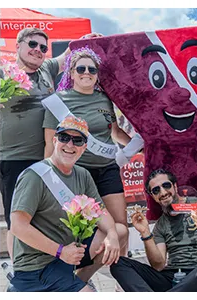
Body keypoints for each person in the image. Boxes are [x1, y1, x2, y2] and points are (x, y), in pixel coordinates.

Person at [2, 29, 102, 256]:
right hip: (14, 158)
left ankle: (50, 262)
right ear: (18, 45)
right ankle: (18, 272)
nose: (38, 50)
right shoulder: (2, 74)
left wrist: (84, 40)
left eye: (43, 48)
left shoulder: (47, 68)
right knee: (15, 217)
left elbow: (69, 54)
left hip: (48, 156)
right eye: (32, 44)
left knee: (46, 216)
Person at [41, 47, 131, 281]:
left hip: (107, 169)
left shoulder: (105, 99)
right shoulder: (57, 101)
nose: (86, 73)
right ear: (71, 72)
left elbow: (114, 133)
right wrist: (47, 179)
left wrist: (140, 144)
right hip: (77, 172)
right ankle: (74, 278)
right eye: (80, 68)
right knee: (78, 229)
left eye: (92, 69)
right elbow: (50, 145)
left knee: (121, 228)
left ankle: (122, 280)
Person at [8, 116, 121, 292]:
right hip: (38, 267)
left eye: (77, 140)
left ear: (84, 147)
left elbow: (100, 211)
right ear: (54, 140)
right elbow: (17, 226)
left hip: (65, 260)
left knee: (119, 231)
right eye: (64, 138)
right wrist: (61, 251)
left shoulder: (82, 175)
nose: (70, 145)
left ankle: (78, 282)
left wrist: (112, 234)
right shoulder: (34, 176)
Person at [110, 169, 197, 292]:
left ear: (175, 186)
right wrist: (145, 233)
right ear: (153, 196)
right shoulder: (161, 224)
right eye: (156, 190)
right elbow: (158, 265)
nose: (162, 192)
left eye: (166, 185)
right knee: (118, 264)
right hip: (174, 277)